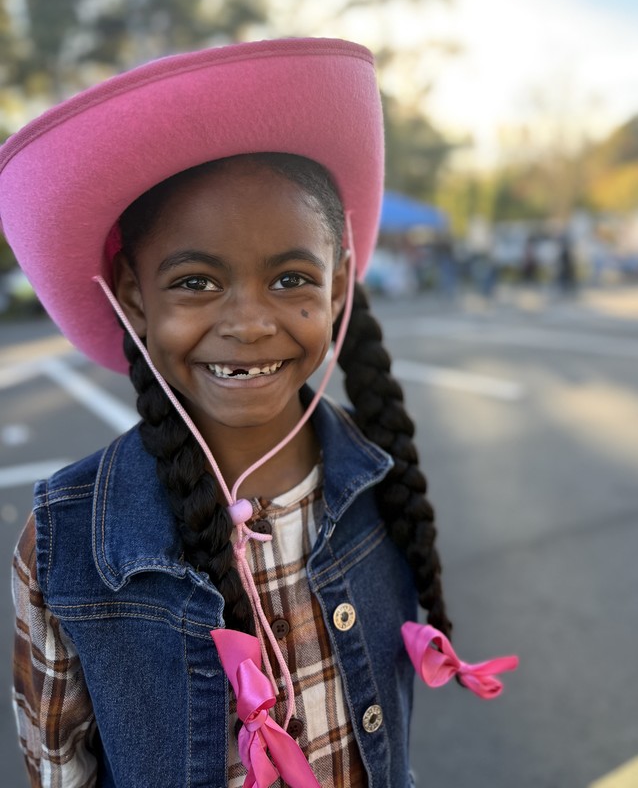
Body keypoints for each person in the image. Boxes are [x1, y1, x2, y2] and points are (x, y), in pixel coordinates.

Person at [1, 39, 517, 788]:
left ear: (338, 288)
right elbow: (57, 768)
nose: (248, 323)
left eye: (290, 278)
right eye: (196, 282)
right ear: (134, 298)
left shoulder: (381, 483)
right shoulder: (65, 544)